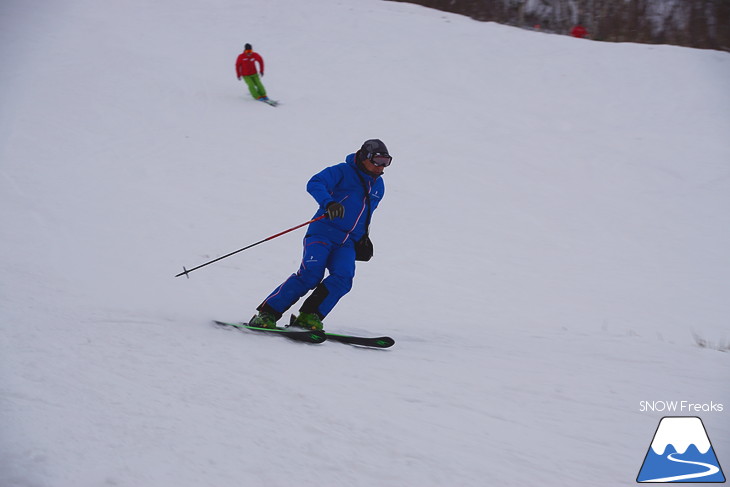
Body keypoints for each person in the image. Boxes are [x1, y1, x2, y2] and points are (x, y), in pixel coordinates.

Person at [249, 139, 392, 331]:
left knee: (343, 278)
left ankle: (309, 317)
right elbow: (315, 182)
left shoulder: (378, 186)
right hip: (322, 233)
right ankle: (267, 313)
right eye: (378, 161)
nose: (382, 167)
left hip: (347, 242)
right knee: (310, 274)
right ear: (365, 157)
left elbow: (366, 215)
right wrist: (329, 203)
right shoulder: (342, 171)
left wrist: (363, 237)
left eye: (386, 161)